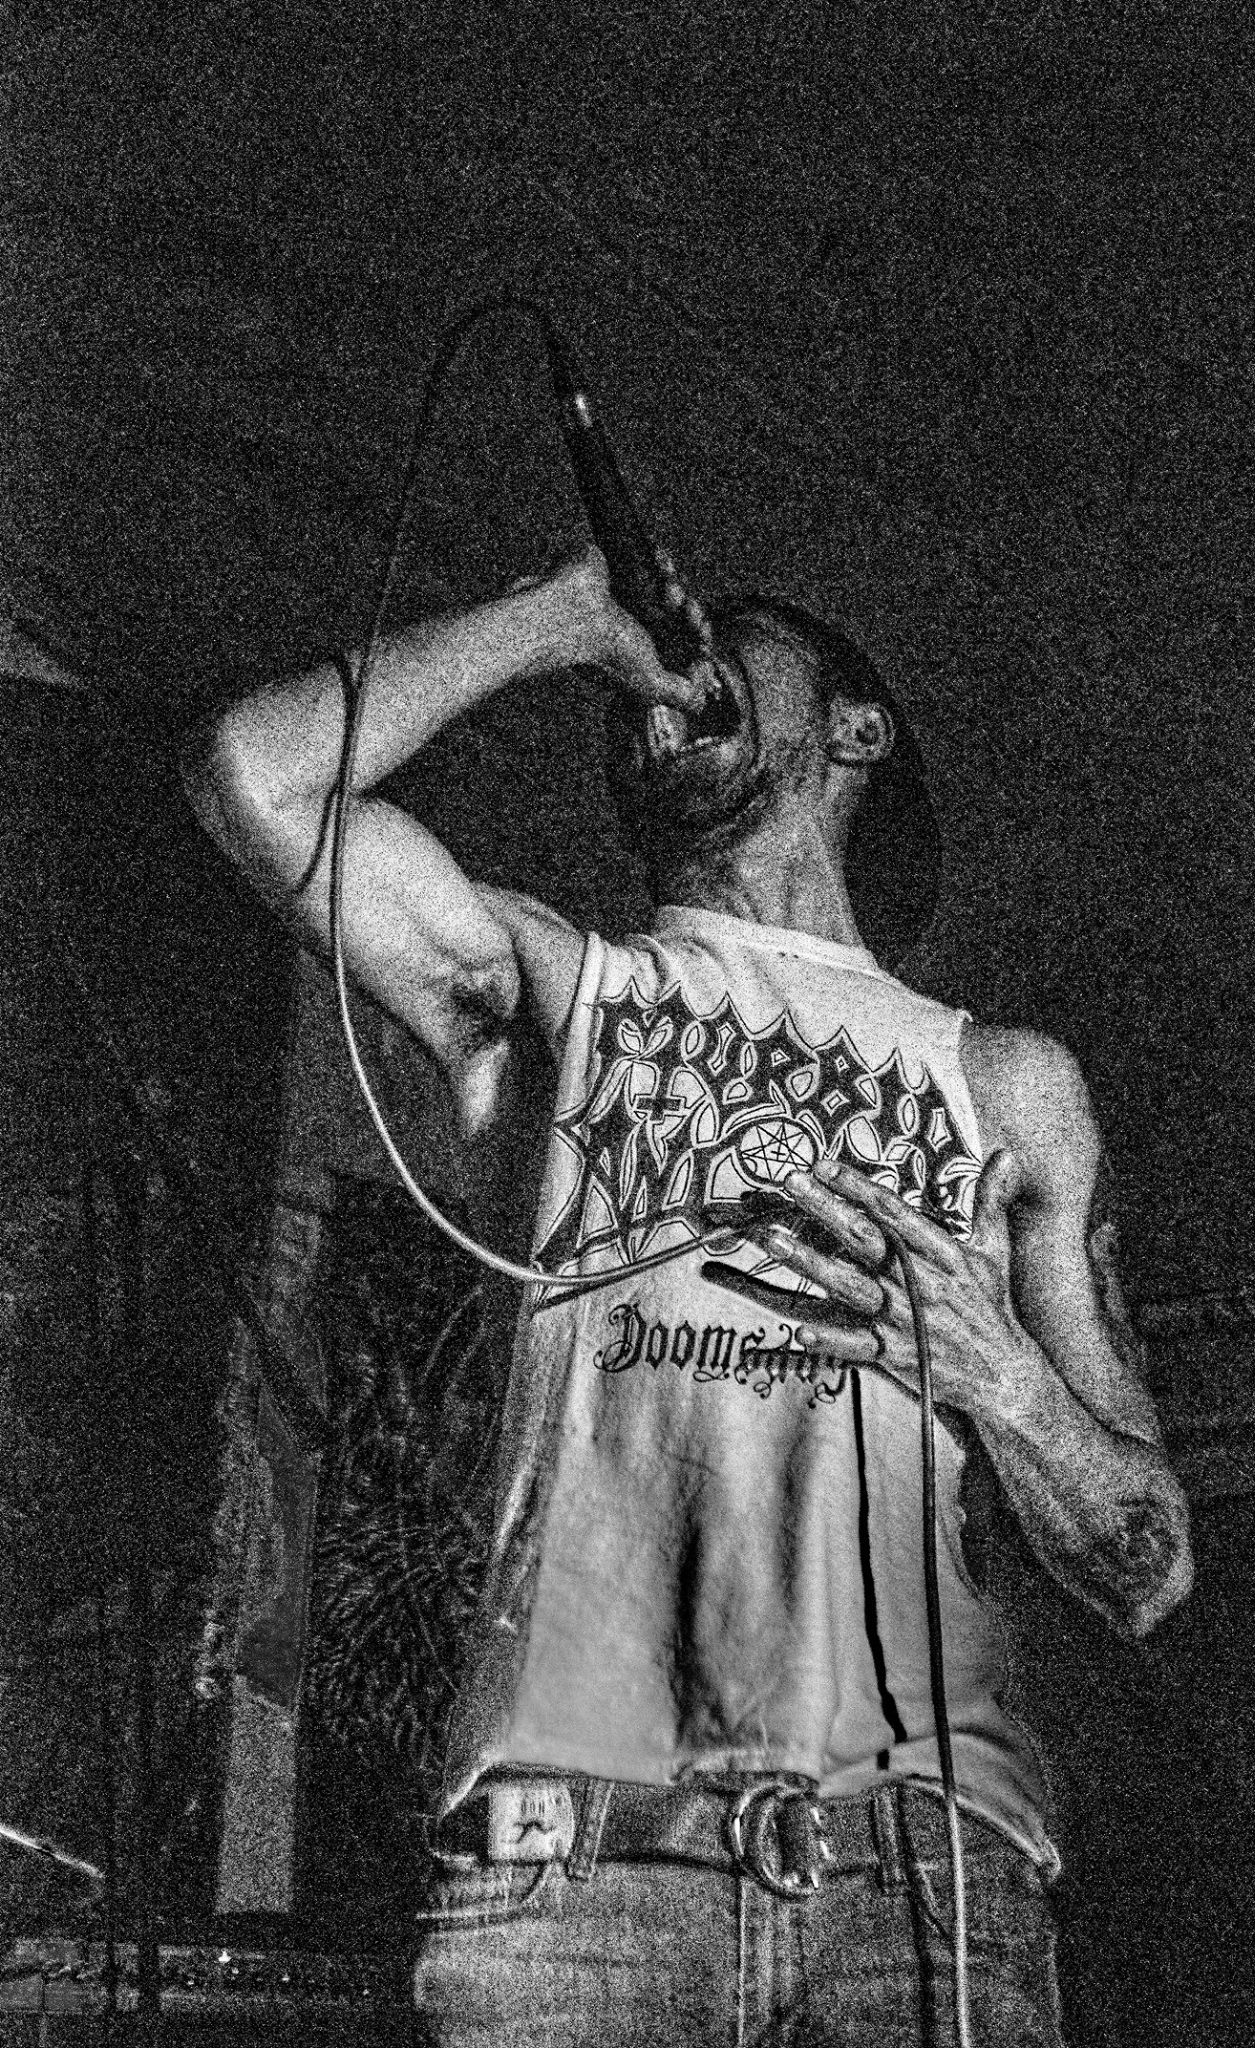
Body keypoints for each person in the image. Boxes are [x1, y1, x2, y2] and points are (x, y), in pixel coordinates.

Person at [183, 547, 1194, 2046]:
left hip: (922, 1892)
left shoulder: (1009, 1087)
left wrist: (997, 1371)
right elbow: (251, 779)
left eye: (725, 643)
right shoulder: (558, 989)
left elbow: (1148, 1566)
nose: (665, 667)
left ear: (856, 729)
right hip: (577, 1879)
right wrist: (555, 621)